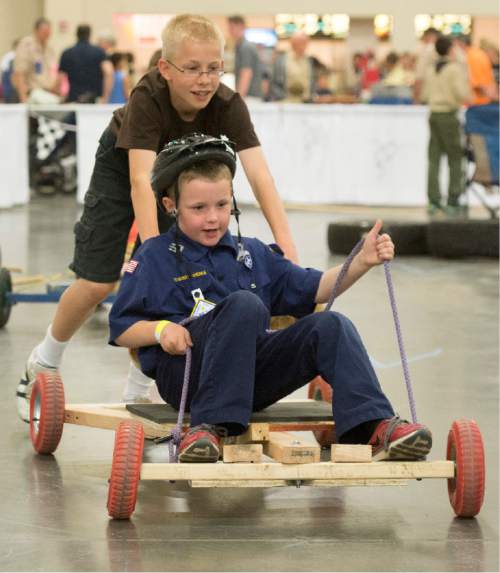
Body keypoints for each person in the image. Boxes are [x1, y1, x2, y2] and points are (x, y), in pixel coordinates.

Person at [16, 14, 298, 422]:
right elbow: (138, 179)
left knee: (186, 285)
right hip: (122, 168)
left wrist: (286, 245)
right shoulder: (148, 97)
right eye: (193, 69)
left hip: (178, 182)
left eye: (214, 69)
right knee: (100, 282)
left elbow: (259, 174)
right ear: (165, 69)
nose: (205, 80)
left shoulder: (227, 104)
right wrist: (153, 254)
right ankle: (43, 360)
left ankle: (140, 390)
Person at [108, 134, 433, 463]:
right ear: (170, 205)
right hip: (186, 378)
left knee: (330, 325)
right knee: (244, 305)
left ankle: (374, 426)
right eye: (198, 208)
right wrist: (162, 331)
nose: (212, 217)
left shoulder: (252, 253)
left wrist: (361, 262)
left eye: (222, 205)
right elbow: (122, 327)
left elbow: (317, 287)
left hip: (250, 380)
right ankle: (208, 428)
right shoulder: (153, 256)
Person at [421, 35, 471, 217]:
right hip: (448, 116)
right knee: (455, 158)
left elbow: (424, 94)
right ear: (451, 49)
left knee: (434, 158)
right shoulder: (454, 69)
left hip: (433, 114)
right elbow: (462, 93)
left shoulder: (430, 69)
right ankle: (453, 199)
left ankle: (433, 200)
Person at [58, 24, 111, 103]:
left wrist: (60, 97)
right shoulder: (99, 52)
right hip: (94, 99)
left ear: (76, 35)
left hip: (74, 98)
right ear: (89, 35)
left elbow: (60, 78)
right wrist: (105, 97)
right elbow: (109, 73)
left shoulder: (67, 53)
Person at [12, 17, 58, 103]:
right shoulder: (26, 45)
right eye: (44, 32)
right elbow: (19, 73)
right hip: (31, 93)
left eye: (49, 32)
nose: (47, 35)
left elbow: (53, 71)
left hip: (46, 92)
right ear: (36, 31)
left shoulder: (49, 49)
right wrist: (23, 99)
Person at [268, 31, 315, 101]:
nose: (302, 46)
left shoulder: (309, 61)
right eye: (300, 43)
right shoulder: (281, 61)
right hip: (285, 102)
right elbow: (273, 83)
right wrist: (279, 96)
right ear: (292, 43)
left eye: (305, 43)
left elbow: (312, 82)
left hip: (305, 102)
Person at [453, 34, 498, 106]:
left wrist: (495, 98)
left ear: (461, 44)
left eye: (454, 46)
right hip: (484, 102)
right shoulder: (478, 53)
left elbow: (478, 83)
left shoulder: (471, 57)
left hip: (477, 104)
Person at [227, 15, 262, 99]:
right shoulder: (239, 46)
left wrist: (239, 99)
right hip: (248, 96)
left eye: (232, 27)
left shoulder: (246, 47)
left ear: (241, 26)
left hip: (250, 97)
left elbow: (246, 73)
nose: (230, 31)